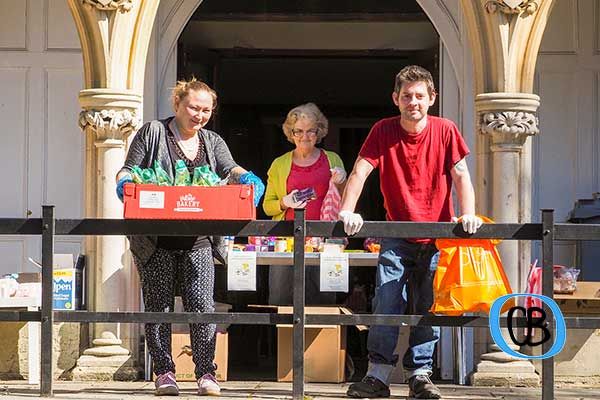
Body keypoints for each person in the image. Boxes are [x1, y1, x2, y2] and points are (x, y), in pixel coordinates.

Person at [115, 78, 265, 396]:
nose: (199, 115)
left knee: (201, 304)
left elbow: (231, 168)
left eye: (206, 110)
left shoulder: (212, 141)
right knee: (159, 307)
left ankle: (206, 374)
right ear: (178, 104)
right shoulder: (153, 132)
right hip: (156, 239)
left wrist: (248, 178)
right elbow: (127, 169)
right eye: (193, 107)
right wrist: (124, 184)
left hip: (198, 239)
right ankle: (164, 372)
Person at [340, 65, 483, 399]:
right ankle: (377, 377)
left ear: (432, 98)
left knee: (428, 307)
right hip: (396, 235)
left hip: (437, 236)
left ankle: (420, 376)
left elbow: (461, 175)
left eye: (420, 96)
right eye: (407, 96)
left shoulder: (445, 130)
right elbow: (360, 171)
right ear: (396, 98)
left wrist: (469, 214)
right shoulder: (383, 130)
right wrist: (347, 210)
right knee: (387, 302)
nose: (413, 102)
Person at [263, 102, 346, 304]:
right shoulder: (279, 163)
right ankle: (284, 338)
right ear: (290, 133)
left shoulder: (332, 159)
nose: (304, 136)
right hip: (287, 242)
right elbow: (267, 206)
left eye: (310, 131)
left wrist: (343, 182)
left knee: (323, 301)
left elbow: (345, 202)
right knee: (281, 300)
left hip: (325, 243)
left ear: (319, 132)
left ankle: (322, 338)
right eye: (298, 131)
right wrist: (285, 202)